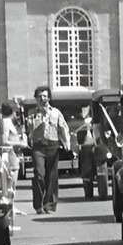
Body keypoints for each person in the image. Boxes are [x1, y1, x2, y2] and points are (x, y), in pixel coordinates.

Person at [26, 85, 71, 214]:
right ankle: (38, 204)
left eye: (45, 96)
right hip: (38, 147)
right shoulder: (32, 114)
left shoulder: (56, 112)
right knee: (39, 174)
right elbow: (30, 132)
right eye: (39, 96)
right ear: (36, 98)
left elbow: (63, 128)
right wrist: (41, 118)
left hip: (53, 145)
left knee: (52, 176)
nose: (42, 99)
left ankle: (49, 204)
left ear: (49, 98)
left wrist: (66, 142)